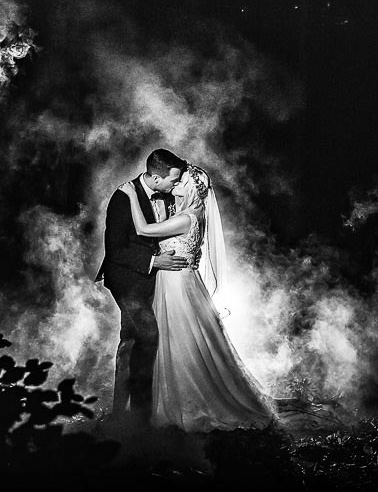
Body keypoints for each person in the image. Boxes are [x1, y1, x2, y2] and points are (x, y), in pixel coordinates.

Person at [115, 156, 274, 432]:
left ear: (190, 189)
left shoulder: (188, 218)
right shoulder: (186, 213)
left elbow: (143, 230)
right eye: (175, 179)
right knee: (168, 343)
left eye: (181, 181)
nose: (176, 183)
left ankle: (179, 404)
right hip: (171, 283)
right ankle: (148, 407)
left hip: (176, 286)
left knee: (178, 343)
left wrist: (131, 196)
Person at [95, 149, 190, 422]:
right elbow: (115, 251)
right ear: (155, 177)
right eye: (172, 180)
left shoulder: (170, 195)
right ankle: (137, 419)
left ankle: (127, 414)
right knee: (145, 338)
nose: (175, 184)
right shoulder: (124, 197)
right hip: (127, 279)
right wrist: (154, 261)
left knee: (133, 341)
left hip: (152, 281)